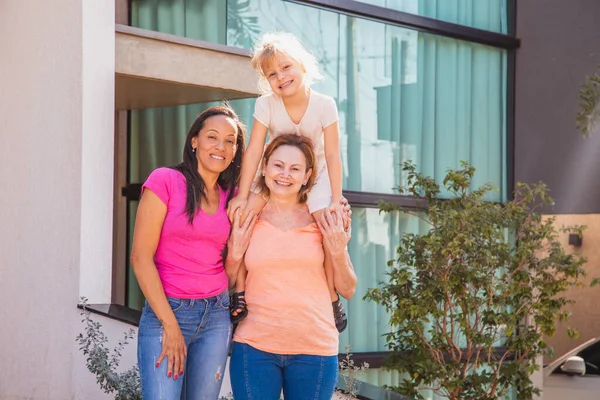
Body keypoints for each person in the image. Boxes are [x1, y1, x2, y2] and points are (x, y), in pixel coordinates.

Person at [227, 31, 349, 332]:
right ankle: (239, 291)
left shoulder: (324, 104)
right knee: (242, 217)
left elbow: (332, 154)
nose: (280, 77)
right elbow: (254, 149)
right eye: (272, 74)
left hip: (315, 173)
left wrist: (336, 198)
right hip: (278, 171)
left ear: (302, 65)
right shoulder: (266, 104)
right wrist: (243, 195)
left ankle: (332, 297)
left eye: (286, 67)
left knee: (326, 224)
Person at [130, 105, 252, 400]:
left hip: (216, 316)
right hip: (167, 311)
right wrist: (170, 326)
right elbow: (140, 258)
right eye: (212, 137)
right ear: (194, 141)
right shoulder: (165, 181)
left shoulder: (233, 197)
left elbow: (269, 190)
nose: (220, 147)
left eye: (230, 141)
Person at [226, 133, 357, 400]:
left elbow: (348, 288)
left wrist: (337, 248)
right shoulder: (248, 215)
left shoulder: (324, 219)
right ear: (264, 168)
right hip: (254, 346)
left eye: (295, 168)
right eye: (278, 165)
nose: (285, 174)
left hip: (315, 349)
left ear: (307, 176)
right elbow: (227, 283)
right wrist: (234, 254)